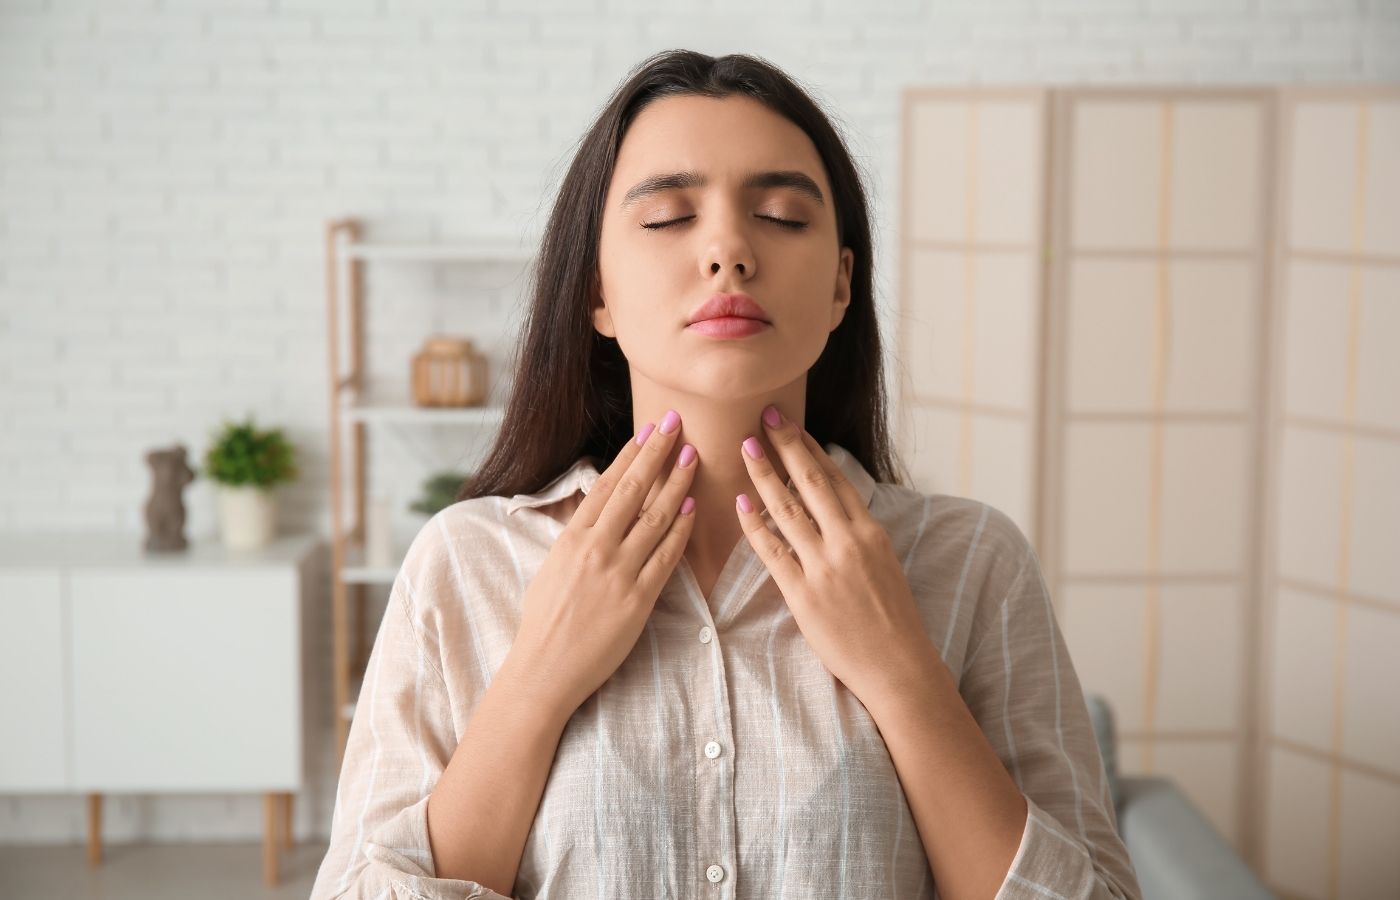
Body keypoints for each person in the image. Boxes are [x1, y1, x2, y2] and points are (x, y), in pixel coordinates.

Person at [309, 49, 1142, 900]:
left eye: (781, 215)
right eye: (668, 216)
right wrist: (537, 680)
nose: (729, 251)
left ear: (841, 286)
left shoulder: (973, 563)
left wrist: (901, 673)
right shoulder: (465, 565)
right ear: (597, 290)